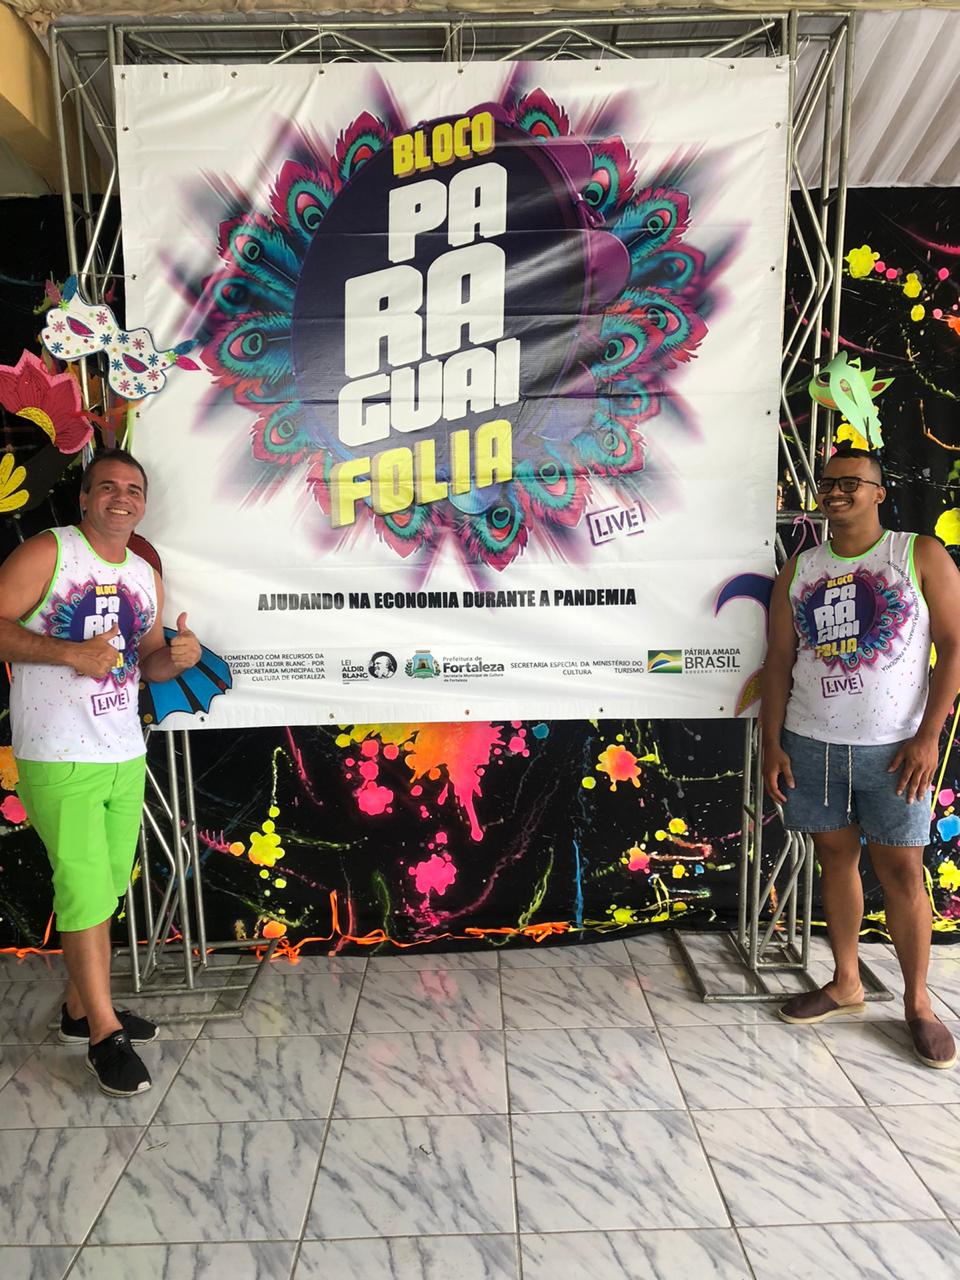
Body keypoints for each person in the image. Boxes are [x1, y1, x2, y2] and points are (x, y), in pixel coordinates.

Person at [0, 449, 201, 1096]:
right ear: (84, 498)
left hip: (122, 751)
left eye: (133, 489)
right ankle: (103, 1033)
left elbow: (149, 663)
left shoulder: (144, 573)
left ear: (143, 504)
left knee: (108, 887)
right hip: (58, 751)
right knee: (86, 890)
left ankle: (77, 1009)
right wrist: (68, 653)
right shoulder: (48, 552)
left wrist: (178, 656)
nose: (121, 497)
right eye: (107, 486)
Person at [761, 444, 960, 1069]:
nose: (837, 491)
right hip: (811, 742)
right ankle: (846, 982)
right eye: (829, 482)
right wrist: (771, 743)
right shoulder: (800, 569)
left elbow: (955, 647)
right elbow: (779, 662)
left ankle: (918, 1004)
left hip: (897, 749)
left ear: (879, 492)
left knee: (902, 872)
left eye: (852, 481)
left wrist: (928, 736)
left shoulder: (917, 553)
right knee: (835, 860)